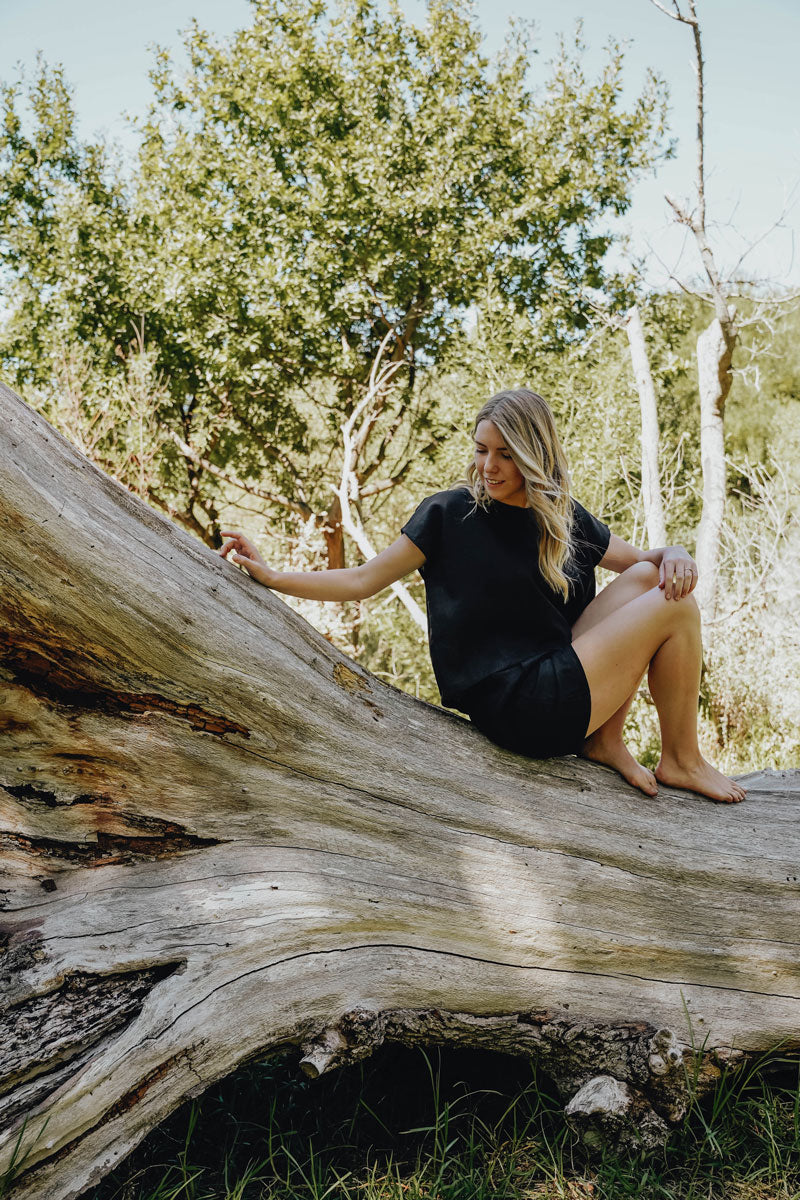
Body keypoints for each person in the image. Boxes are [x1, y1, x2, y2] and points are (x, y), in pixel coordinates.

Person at [218, 388, 745, 804]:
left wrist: (675, 550)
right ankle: (680, 757)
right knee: (674, 605)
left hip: (558, 680)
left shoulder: (561, 516)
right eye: (481, 450)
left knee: (654, 584)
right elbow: (362, 580)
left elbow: (644, 565)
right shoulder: (447, 515)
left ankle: (606, 741)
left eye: (505, 455)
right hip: (519, 704)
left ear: (534, 456)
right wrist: (274, 575)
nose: (488, 466)